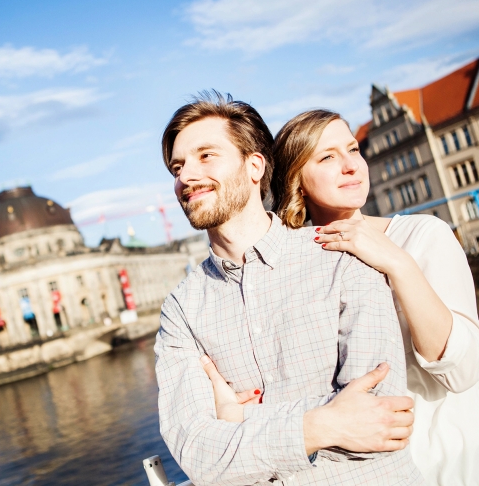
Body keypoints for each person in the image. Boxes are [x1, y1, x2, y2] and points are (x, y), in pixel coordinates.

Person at [204, 109, 479, 485]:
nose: (351, 166)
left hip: (463, 463)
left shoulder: (422, 236)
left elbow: (462, 372)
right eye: (328, 157)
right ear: (297, 181)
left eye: (353, 149)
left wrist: (399, 264)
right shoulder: (288, 272)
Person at [155, 92, 423, 486]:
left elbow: (379, 420)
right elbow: (198, 455)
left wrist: (239, 419)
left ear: (254, 166)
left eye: (205, 156)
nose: (185, 177)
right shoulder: (181, 309)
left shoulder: (341, 253)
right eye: (178, 166)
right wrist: (321, 424)